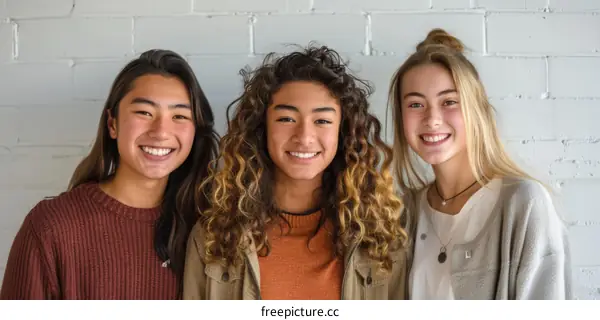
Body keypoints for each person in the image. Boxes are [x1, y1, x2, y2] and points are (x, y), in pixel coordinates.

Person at [183, 44, 408, 300]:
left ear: (342, 131)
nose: (304, 137)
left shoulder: (382, 236)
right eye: (287, 119)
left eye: (322, 121)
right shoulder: (213, 237)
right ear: (262, 128)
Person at [0, 49, 219, 299]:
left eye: (179, 116)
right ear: (112, 124)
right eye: (144, 113)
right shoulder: (50, 227)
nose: (161, 131)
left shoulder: (210, 229)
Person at [388, 29, 572, 299]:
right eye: (415, 104)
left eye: (449, 101)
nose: (432, 119)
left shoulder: (523, 203)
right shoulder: (404, 213)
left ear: (475, 110)